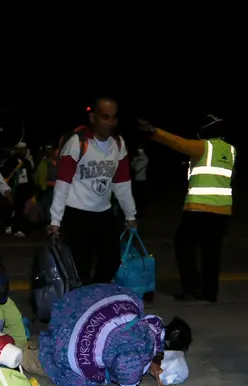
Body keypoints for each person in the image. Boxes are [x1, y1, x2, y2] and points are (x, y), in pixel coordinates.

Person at [136, 114, 235, 302]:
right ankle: (210, 292)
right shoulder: (230, 151)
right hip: (222, 210)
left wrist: (153, 131)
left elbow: (177, 143)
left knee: (183, 245)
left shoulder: (204, 146)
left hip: (198, 208)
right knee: (211, 252)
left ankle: (191, 288)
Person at [47, 96, 138, 284]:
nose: (110, 123)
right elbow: (62, 183)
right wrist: (55, 219)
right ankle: (84, 303)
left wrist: (131, 215)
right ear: (93, 118)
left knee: (112, 260)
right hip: (76, 213)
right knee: (81, 266)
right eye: (105, 117)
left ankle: (96, 294)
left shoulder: (118, 144)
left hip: (103, 213)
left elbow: (122, 184)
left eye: (113, 118)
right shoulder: (77, 143)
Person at [23, 284, 164, 386]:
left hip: (107, 295)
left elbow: (155, 330)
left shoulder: (142, 333)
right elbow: (63, 370)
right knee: (28, 357)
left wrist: (151, 359)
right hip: (70, 309)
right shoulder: (75, 353)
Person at [2, 142, 35, 237]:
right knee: (10, 208)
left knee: (20, 209)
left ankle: (18, 228)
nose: (23, 151)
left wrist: (30, 191)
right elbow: (5, 174)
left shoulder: (27, 162)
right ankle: (8, 225)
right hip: (13, 189)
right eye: (21, 149)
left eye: (24, 149)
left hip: (23, 190)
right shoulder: (10, 161)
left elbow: (30, 177)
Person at [130, 146, 149, 217]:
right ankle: (137, 210)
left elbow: (137, 168)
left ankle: (141, 211)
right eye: (139, 149)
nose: (139, 150)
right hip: (136, 179)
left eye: (141, 149)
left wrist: (135, 162)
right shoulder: (138, 158)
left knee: (141, 196)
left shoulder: (145, 159)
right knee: (136, 196)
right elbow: (132, 164)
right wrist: (135, 161)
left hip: (142, 180)